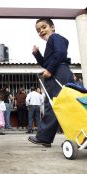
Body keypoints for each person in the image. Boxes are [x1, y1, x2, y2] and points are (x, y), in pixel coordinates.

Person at [28, 18, 74, 147]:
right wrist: (37, 54)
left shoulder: (55, 37)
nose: (41, 31)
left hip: (58, 73)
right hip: (58, 71)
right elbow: (46, 63)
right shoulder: (52, 42)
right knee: (61, 104)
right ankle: (48, 137)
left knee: (53, 104)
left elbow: (61, 53)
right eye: (38, 30)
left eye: (44, 27)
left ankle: (44, 137)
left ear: (52, 27)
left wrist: (50, 69)